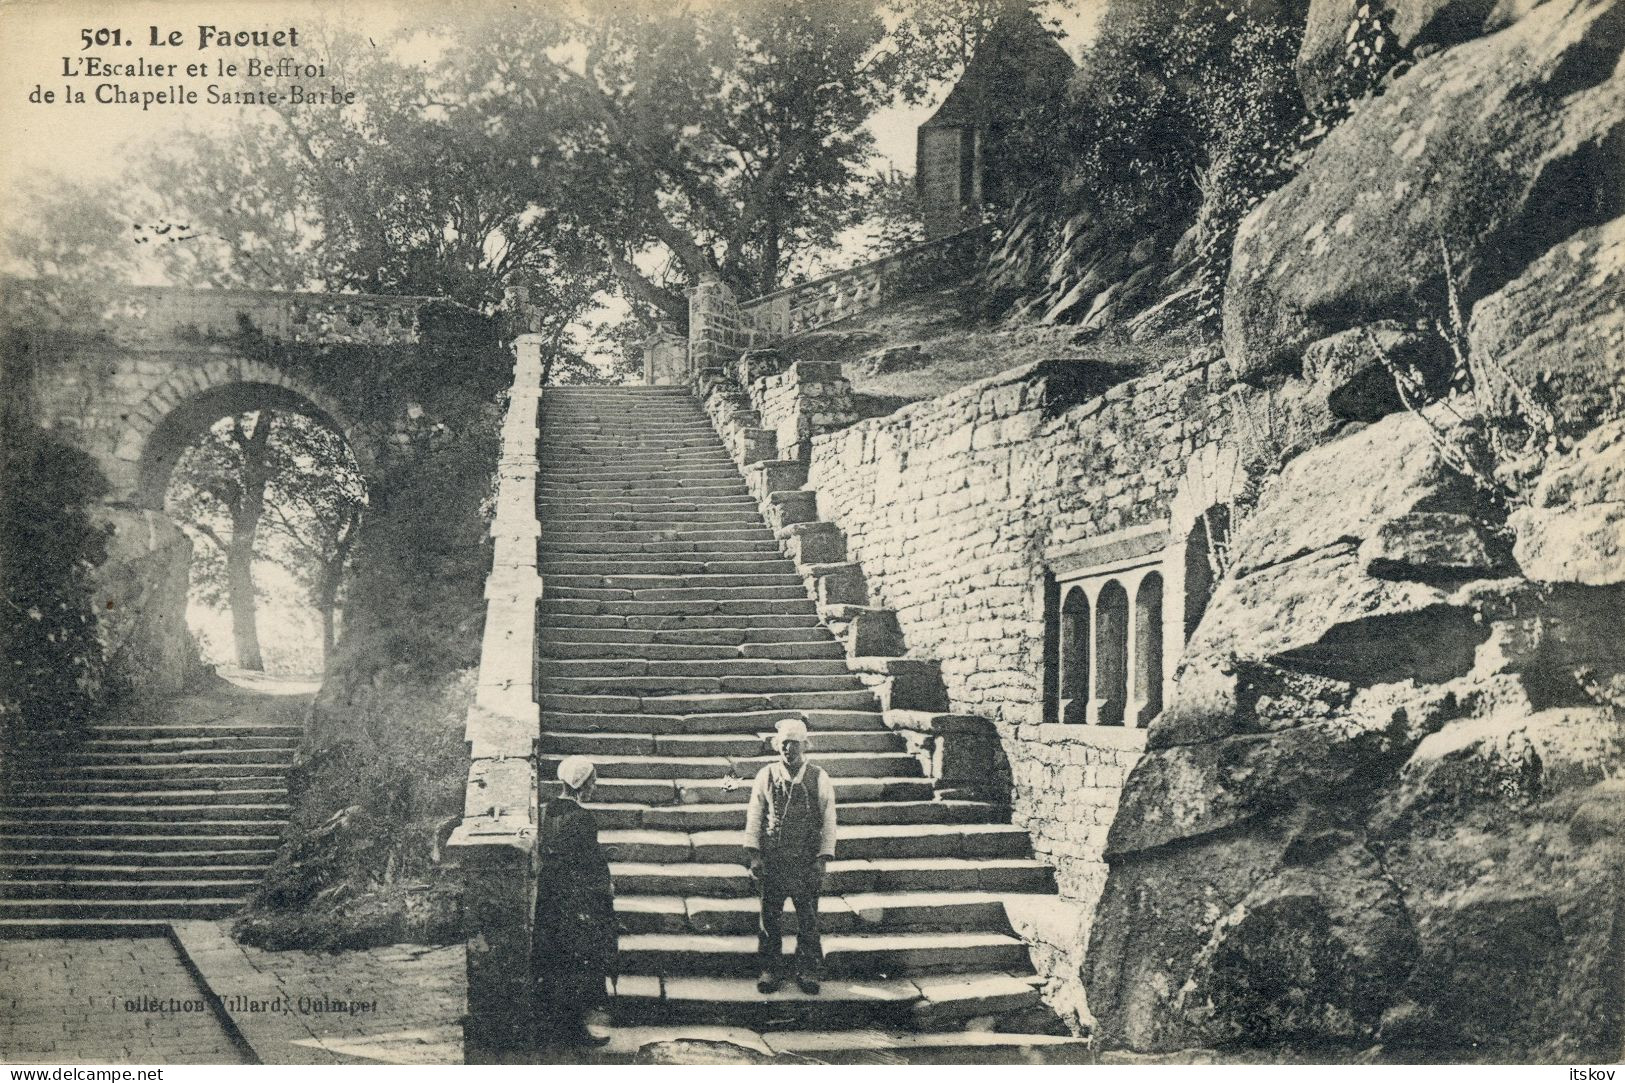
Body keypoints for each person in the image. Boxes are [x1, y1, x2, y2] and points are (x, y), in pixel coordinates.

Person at [743, 716, 838, 996]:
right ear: (777, 745)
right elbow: (755, 815)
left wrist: (823, 858)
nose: (789, 749)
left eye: (794, 744)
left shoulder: (818, 777)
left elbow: (829, 819)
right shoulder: (766, 775)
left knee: (808, 918)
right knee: (770, 918)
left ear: (805, 746)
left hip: (805, 861)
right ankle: (770, 969)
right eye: (784, 744)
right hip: (773, 860)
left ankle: (807, 970)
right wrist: (755, 855)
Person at [531, 755, 617, 1049]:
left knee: (553, 959)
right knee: (576, 961)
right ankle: (573, 1031)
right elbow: (591, 863)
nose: (595, 787)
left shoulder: (547, 811)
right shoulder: (583, 819)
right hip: (575, 898)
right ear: (582, 784)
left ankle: (553, 1028)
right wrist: (604, 890)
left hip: (550, 895)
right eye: (593, 782)